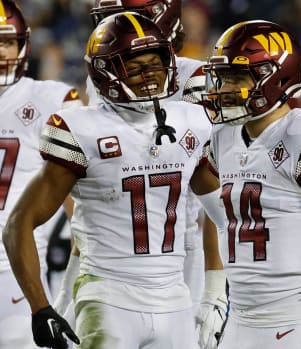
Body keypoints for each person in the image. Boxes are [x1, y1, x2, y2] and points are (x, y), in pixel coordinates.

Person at [3, 12, 224, 349]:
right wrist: (40, 308)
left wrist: (218, 285)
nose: (149, 76)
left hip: (176, 296)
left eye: (155, 64)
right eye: (134, 68)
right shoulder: (82, 128)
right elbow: (18, 224)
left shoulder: (190, 120)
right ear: (106, 73)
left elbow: (226, 215)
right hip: (109, 296)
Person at [52, 0, 216, 334]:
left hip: (176, 248)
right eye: (109, 20)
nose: (118, 28)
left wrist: (215, 287)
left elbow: (220, 196)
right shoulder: (106, 75)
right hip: (109, 259)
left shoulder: (194, 80)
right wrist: (68, 286)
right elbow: (97, 195)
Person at [200, 20, 301, 348]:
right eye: (224, 77)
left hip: (296, 317)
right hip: (240, 316)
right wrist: (214, 289)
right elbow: (218, 210)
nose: (227, 88)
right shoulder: (223, 138)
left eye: (238, 76)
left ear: (276, 77)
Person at [0, 0, 83, 347]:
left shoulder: (51, 100)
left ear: (23, 45)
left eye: (4, 41)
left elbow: (80, 199)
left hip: (14, 274)